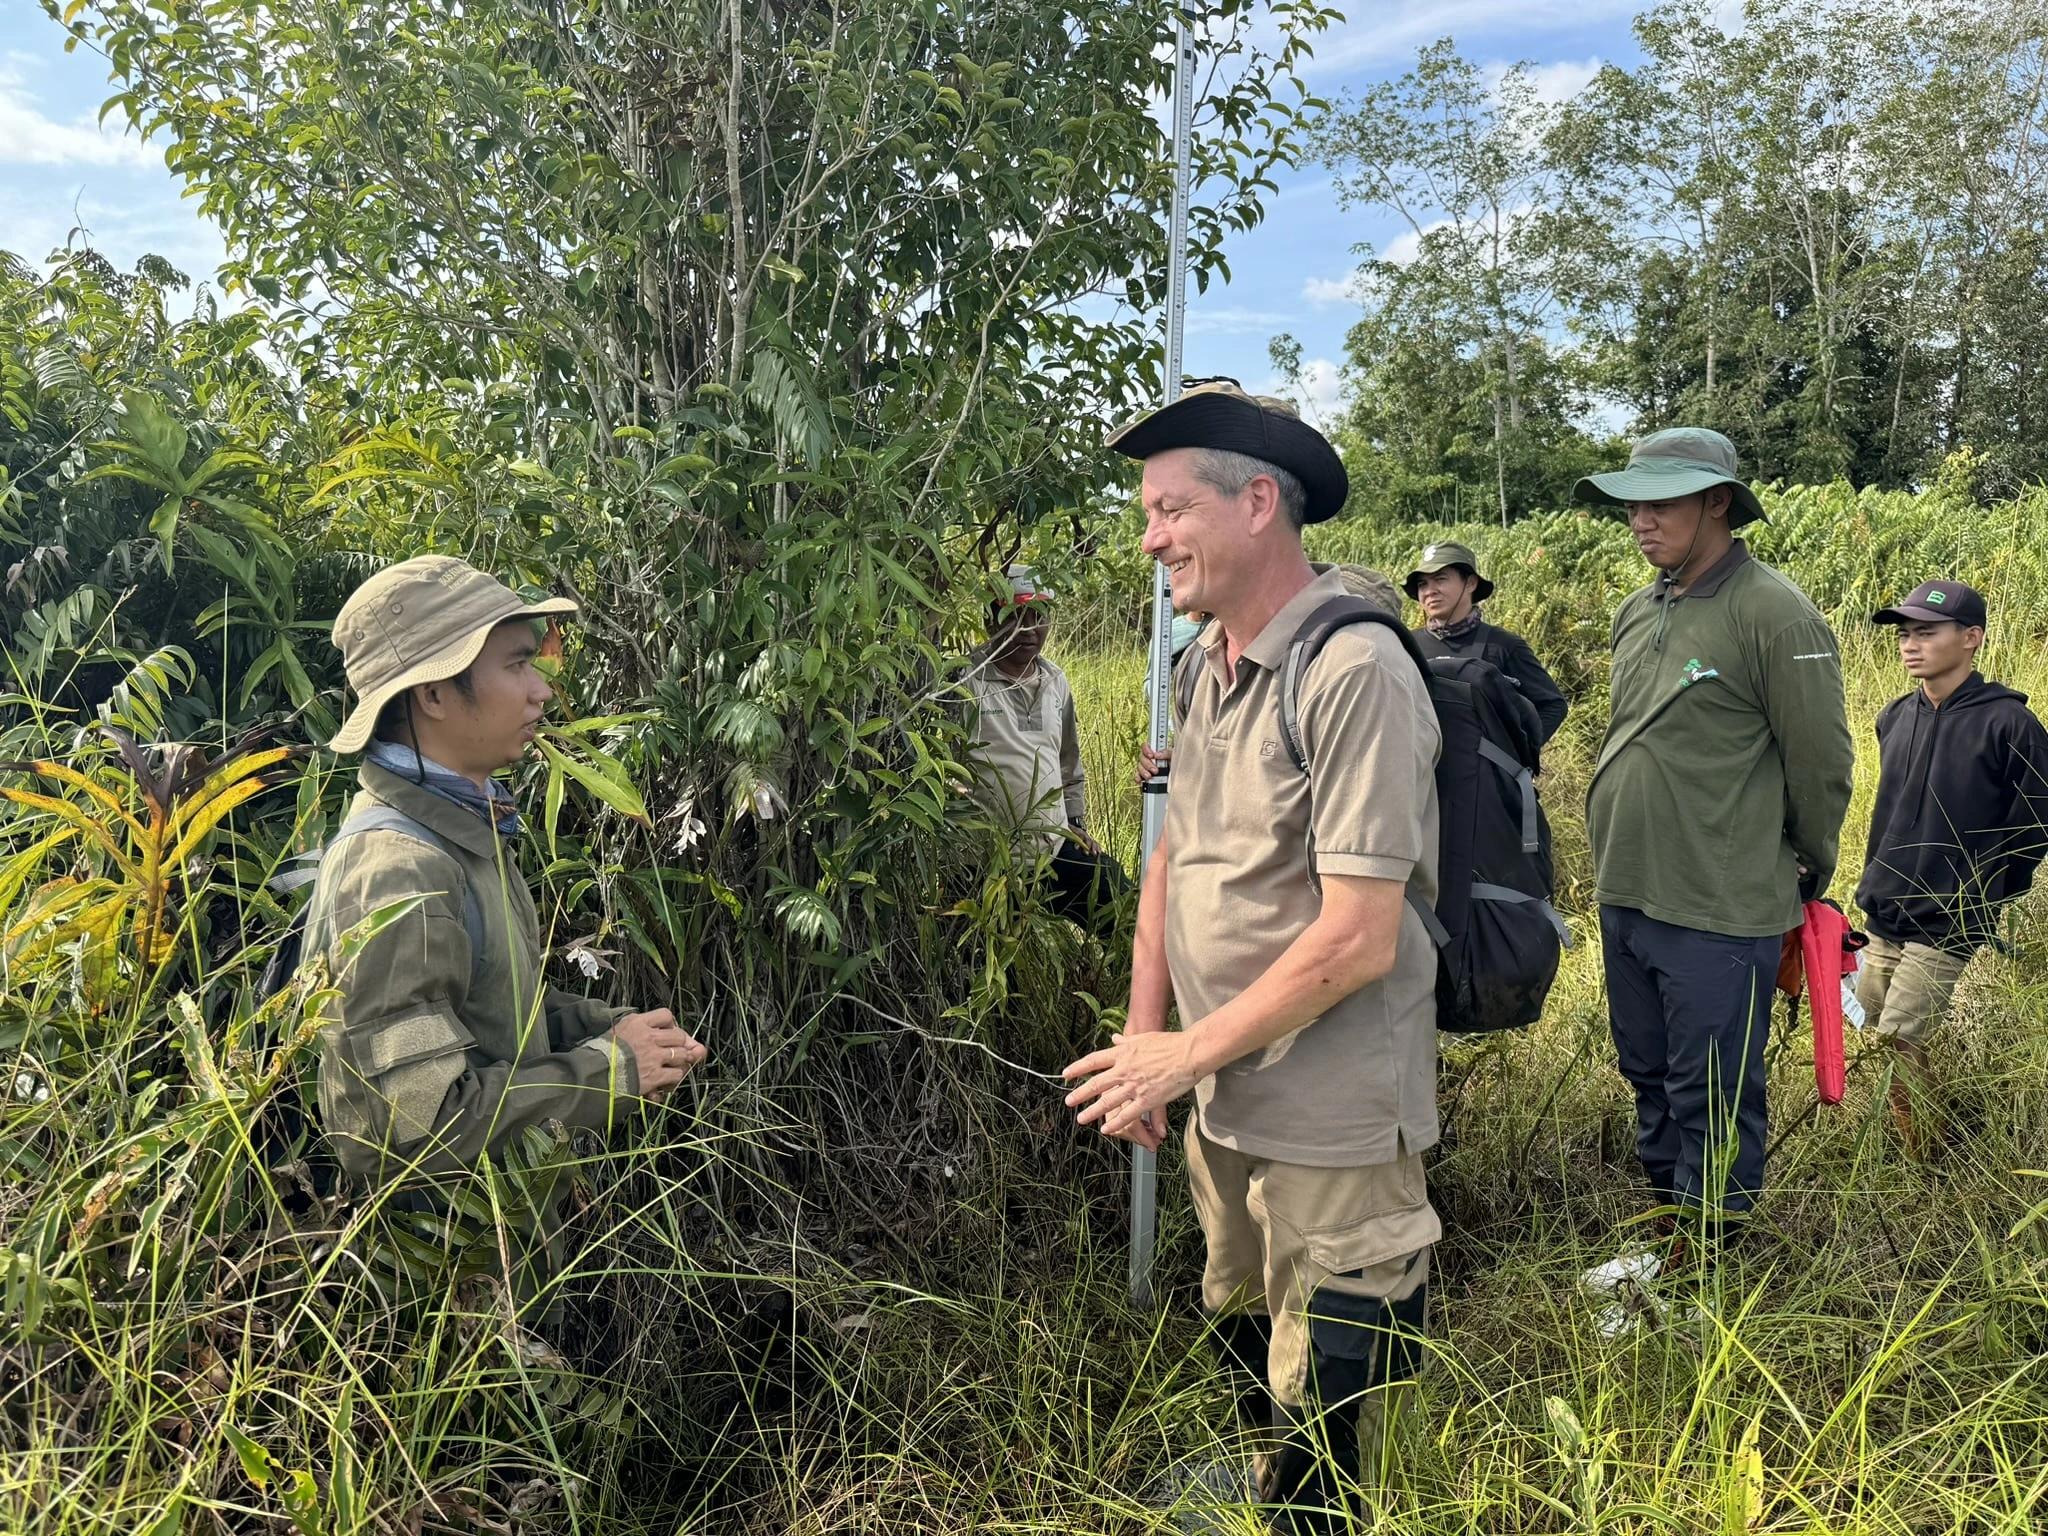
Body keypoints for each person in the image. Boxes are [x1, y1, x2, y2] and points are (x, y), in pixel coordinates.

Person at [1063, 381, 1442, 1530]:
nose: (1150, 537)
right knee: (1237, 1308)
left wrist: (1180, 1057)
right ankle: (1267, 1486)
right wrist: (1146, 1039)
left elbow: (1358, 935)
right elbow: (1174, 857)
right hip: (1220, 1083)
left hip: (1327, 1108)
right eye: (1148, 511)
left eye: (1171, 508)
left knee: (1330, 1368)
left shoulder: (1353, 670)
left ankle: (1312, 1514)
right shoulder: (1202, 663)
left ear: (1257, 502)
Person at [309, 555, 706, 1290]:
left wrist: (603, 1026)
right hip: (446, 1307)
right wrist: (606, 1073)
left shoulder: (465, 828)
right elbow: (409, 1132)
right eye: (519, 664)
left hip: (503, 1261)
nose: (542, 689)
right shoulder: (400, 871)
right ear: (433, 691)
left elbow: (491, 1006)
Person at [1576, 428, 1852, 1267]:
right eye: (1634, 504)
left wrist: (1804, 864)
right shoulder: (1640, 609)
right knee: (1647, 1075)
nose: (1641, 520)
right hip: (1629, 890)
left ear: (1717, 503)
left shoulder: (1772, 610)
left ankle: (1713, 1269)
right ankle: (1670, 1238)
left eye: (1662, 503)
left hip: (1717, 902)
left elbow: (1822, 760)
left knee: (1716, 1094)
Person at [1855, 580, 2048, 1152]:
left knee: (1901, 1035)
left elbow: (2037, 819)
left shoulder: (2009, 724)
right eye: (1904, 634)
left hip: (1950, 917)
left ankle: (1926, 1162)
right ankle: (1922, 1137)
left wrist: (1983, 891)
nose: (1910, 645)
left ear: (1971, 638)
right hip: (1885, 904)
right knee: (1875, 1026)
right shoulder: (1895, 716)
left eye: (1926, 632)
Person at [961, 564, 1124, 927]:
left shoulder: (1055, 680)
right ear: (992, 620)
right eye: (1016, 616)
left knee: (1122, 903)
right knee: (984, 961)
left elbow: (1068, 759)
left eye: (1039, 617)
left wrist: (1075, 821)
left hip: (1052, 848)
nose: (1029, 630)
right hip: (983, 861)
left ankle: (1143, 983)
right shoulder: (963, 681)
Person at [1404, 541, 1569, 748]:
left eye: (1440, 579)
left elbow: (1553, 705)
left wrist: (1517, 753)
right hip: (1422, 775)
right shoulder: (1406, 644)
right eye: (1422, 584)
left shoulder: (1503, 645)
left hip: (1480, 777)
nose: (1430, 591)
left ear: (1470, 583)